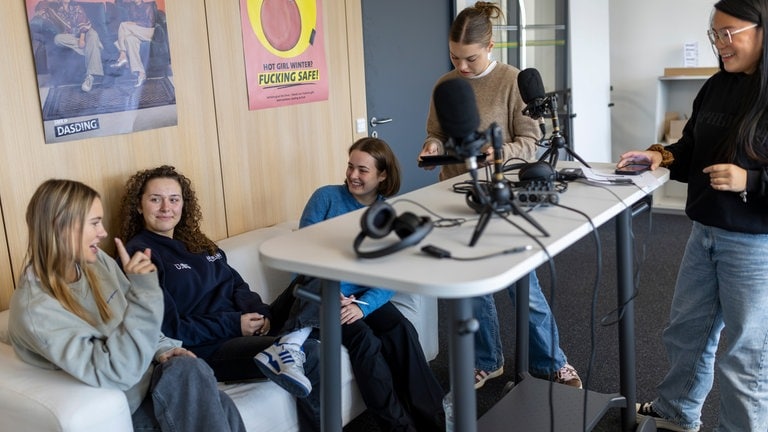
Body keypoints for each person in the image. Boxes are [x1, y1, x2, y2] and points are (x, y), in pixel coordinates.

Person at [418, 1, 581, 390]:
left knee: (525, 289)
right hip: (456, 195)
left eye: (470, 58)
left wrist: (500, 152)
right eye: (454, 57)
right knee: (472, 289)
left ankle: (552, 361)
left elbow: (531, 141)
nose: (461, 67)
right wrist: (431, 147)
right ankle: (486, 360)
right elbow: (436, 133)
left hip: (505, 197)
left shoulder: (512, 80)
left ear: (490, 46)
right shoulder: (445, 85)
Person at [621, 1, 768, 431]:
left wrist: (751, 181)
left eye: (730, 33)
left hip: (753, 241)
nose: (720, 44)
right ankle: (677, 411)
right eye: (714, 34)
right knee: (686, 333)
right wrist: (658, 155)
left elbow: (750, 176)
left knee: (745, 355)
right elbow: (690, 148)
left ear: (762, 30)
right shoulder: (716, 86)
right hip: (704, 231)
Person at [8, 179, 245, 432]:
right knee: (194, 379)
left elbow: (130, 319)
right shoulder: (38, 309)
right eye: (95, 223)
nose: (103, 233)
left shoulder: (96, 261)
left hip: (147, 381)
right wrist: (145, 290)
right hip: (121, 406)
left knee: (206, 386)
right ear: (62, 226)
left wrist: (163, 348)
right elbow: (116, 372)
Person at [255, 137, 445, 432]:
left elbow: (391, 272)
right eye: (350, 167)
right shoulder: (326, 198)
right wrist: (334, 296)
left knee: (401, 330)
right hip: (319, 294)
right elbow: (300, 257)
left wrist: (364, 305)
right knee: (365, 343)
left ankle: (434, 423)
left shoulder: (388, 213)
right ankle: (399, 428)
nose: (353, 175)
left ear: (382, 175)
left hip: (360, 297)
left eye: (363, 170)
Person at [118, 165, 320, 431]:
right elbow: (169, 328)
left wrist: (263, 316)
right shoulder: (140, 256)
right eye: (155, 199)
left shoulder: (198, 241)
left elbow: (238, 286)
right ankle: (292, 346)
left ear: (183, 204)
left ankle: (289, 340)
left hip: (247, 328)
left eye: (174, 199)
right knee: (312, 351)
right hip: (213, 348)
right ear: (139, 206)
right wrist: (235, 324)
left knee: (317, 276)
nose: (166, 207)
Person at [36, 0, 104, 92]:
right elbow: (41, 8)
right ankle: (94, 46)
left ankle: (89, 77)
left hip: (85, 32)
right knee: (57, 38)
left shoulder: (77, 7)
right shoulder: (54, 9)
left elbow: (83, 22)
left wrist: (82, 39)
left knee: (93, 35)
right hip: (71, 36)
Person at [111, 0, 156, 87]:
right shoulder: (132, 7)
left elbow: (151, 23)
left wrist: (135, 24)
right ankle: (141, 73)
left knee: (123, 25)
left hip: (149, 32)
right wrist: (133, 25)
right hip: (137, 33)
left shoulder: (148, 6)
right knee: (129, 39)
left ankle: (123, 54)